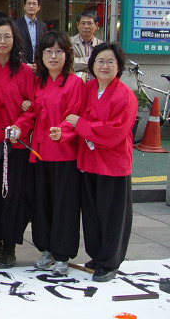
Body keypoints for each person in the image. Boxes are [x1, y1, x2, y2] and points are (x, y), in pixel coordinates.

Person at [11, 31, 84, 277]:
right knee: (41, 204)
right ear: (41, 56)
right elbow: (31, 114)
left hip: (64, 154)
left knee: (65, 205)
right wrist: (18, 127)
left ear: (67, 55)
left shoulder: (74, 84)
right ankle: (47, 249)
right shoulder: (38, 83)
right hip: (39, 153)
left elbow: (74, 115)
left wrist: (62, 131)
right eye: (48, 51)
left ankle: (63, 254)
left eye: (59, 51)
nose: (53, 56)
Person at [64, 43, 137, 283]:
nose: (105, 66)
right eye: (100, 61)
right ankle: (97, 256)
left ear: (119, 66)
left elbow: (114, 132)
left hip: (112, 165)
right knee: (92, 214)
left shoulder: (125, 95)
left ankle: (110, 261)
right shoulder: (87, 88)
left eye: (110, 62)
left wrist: (82, 125)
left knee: (112, 215)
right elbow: (72, 115)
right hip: (88, 162)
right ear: (92, 65)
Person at [0, 18, 36, 268]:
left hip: (15, 144)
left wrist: (19, 125)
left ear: (15, 40)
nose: (2, 41)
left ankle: (9, 247)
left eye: (7, 37)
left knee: (12, 197)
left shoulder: (24, 72)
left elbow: (32, 108)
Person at [15, 0, 47, 70]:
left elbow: (43, 46)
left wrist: (39, 63)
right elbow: (15, 47)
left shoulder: (42, 26)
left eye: (34, 4)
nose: (31, 6)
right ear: (24, 6)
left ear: (39, 7)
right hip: (21, 65)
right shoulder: (16, 25)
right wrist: (25, 63)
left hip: (38, 66)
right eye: (29, 3)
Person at [71, 11, 103, 81]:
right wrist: (93, 62)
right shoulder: (69, 43)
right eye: (83, 23)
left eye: (89, 23)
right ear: (77, 25)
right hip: (75, 83)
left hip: (96, 83)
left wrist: (80, 63)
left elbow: (102, 65)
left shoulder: (101, 45)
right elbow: (71, 63)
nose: (86, 26)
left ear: (96, 25)